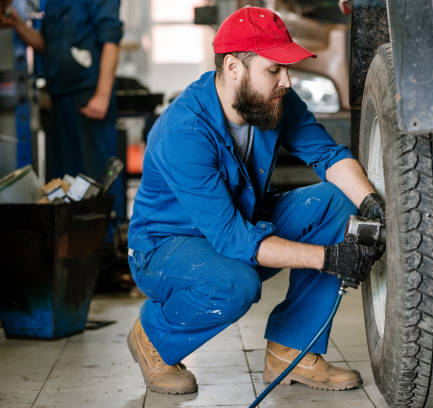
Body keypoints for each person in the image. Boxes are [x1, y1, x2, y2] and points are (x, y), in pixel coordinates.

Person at [126, 6, 386, 395]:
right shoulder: (184, 131)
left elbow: (329, 157)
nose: (287, 80)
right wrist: (330, 258)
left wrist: (371, 204)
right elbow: (234, 241)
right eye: (274, 70)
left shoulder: (273, 102)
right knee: (236, 284)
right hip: (168, 248)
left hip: (242, 222)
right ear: (233, 67)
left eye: (287, 69)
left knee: (335, 202)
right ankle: (154, 339)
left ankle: (291, 351)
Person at [0, 0, 124, 223]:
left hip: (88, 94)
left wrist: (103, 95)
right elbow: (47, 46)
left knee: (96, 175)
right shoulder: (54, 2)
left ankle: (109, 239)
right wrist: (18, 23)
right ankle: (70, 242)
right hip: (60, 96)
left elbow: (111, 40)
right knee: (65, 176)